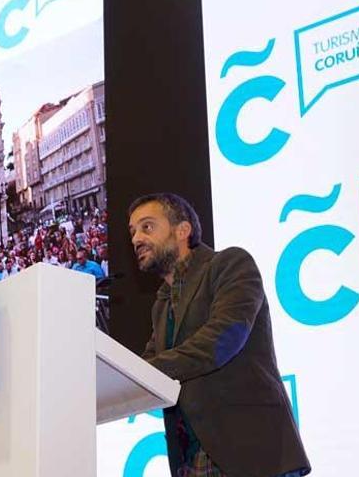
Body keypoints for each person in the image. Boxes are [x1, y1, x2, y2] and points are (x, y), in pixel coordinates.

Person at [128, 193, 310, 477]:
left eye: (147, 227)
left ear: (182, 230)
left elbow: (221, 340)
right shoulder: (162, 304)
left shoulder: (230, 264)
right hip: (191, 461)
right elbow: (148, 365)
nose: (136, 238)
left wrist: (139, 371)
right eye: (133, 231)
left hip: (251, 452)